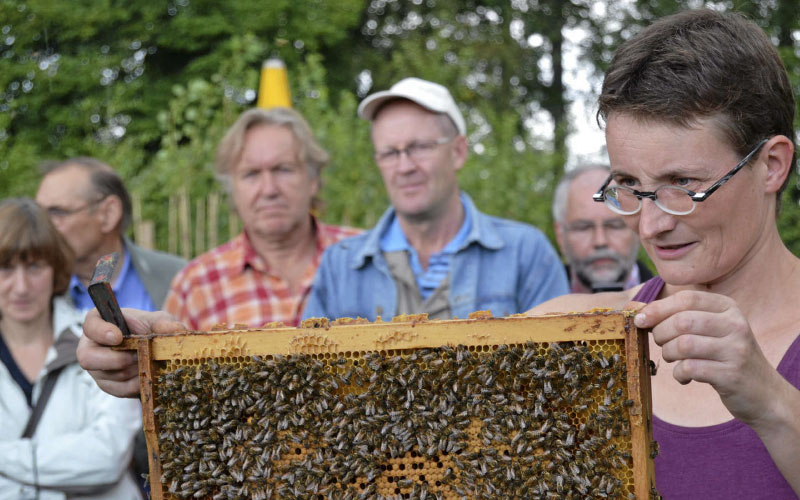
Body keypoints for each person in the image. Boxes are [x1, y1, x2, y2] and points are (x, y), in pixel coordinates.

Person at [530, 9, 800, 498]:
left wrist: (772, 402)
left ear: (772, 165)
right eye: (629, 185)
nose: (650, 226)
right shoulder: (568, 339)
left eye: (683, 184)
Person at [302, 77, 568, 321]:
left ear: (458, 152)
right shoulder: (340, 266)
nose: (404, 167)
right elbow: (308, 369)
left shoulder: (526, 253)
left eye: (419, 147)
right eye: (390, 153)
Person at [161, 107, 361, 330]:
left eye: (283, 169)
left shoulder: (368, 258)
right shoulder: (196, 285)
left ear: (313, 180)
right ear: (232, 188)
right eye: (252, 174)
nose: (269, 189)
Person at [0, 198, 142, 500]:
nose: (21, 286)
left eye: (35, 266)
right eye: (6, 268)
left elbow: (107, 458)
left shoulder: (100, 337)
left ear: (55, 269)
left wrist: (6, 459)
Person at [35, 157, 186, 313]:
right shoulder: (34, 289)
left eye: (57, 213)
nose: (42, 226)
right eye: (39, 214)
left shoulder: (179, 278)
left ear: (109, 214)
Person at [552, 164, 652, 293]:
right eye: (583, 228)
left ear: (638, 228)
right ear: (560, 235)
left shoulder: (677, 302)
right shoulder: (530, 307)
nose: (600, 241)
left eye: (615, 226)